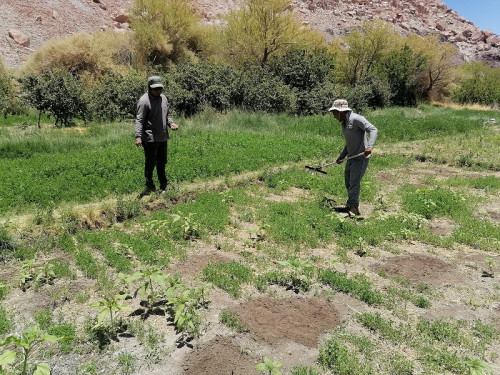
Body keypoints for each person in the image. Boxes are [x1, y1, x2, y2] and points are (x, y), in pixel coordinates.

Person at [328, 99, 378, 216]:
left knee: (354, 183)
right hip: (351, 157)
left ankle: (353, 209)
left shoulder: (356, 119)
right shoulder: (344, 123)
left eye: (335, 113)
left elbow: (373, 129)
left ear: (341, 111)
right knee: (348, 182)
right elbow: (349, 142)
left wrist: (369, 146)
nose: (334, 116)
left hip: (360, 158)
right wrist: (342, 156)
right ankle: (350, 205)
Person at [135, 76, 179, 197]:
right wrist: (138, 136)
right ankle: (149, 185)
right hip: (150, 138)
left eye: (160, 88)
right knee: (150, 163)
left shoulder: (163, 98)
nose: (158, 91)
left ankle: (164, 184)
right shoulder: (144, 101)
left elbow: (167, 115)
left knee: (162, 162)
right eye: (155, 89)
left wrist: (171, 124)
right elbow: (139, 120)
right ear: (149, 88)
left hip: (162, 136)